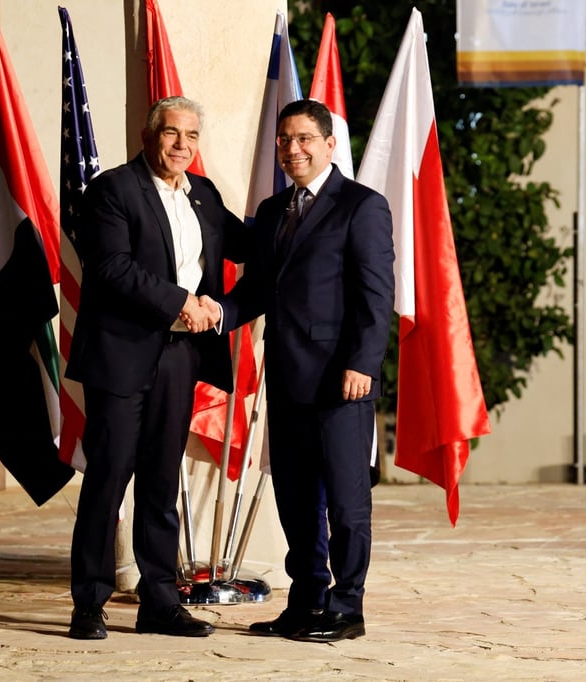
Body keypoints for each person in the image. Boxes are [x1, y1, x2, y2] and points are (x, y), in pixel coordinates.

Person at [197, 99, 395, 643]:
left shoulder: (363, 206)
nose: (293, 149)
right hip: (284, 379)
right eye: (285, 140)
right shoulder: (273, 209)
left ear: (330, 145)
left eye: (305, 139)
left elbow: (376, 298)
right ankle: (306, 603)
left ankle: (347, 608)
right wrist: (218, 311)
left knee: (347, 503)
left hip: (341, 382)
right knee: (297, 500)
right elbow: (260, 288)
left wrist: (362, 363)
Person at [64, 96, 248, 639]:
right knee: (108, 479)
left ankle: (160, 602)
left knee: (162, 483)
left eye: (191, 136)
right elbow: (113, 269)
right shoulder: (112, 190)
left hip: (177, 359)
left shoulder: (204, 196)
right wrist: (181, 303)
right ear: (148, 137)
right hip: (120, 356)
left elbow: (249, 243)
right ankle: (89, 603)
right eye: (171, 133)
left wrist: (314, 216)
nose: (181, 145)